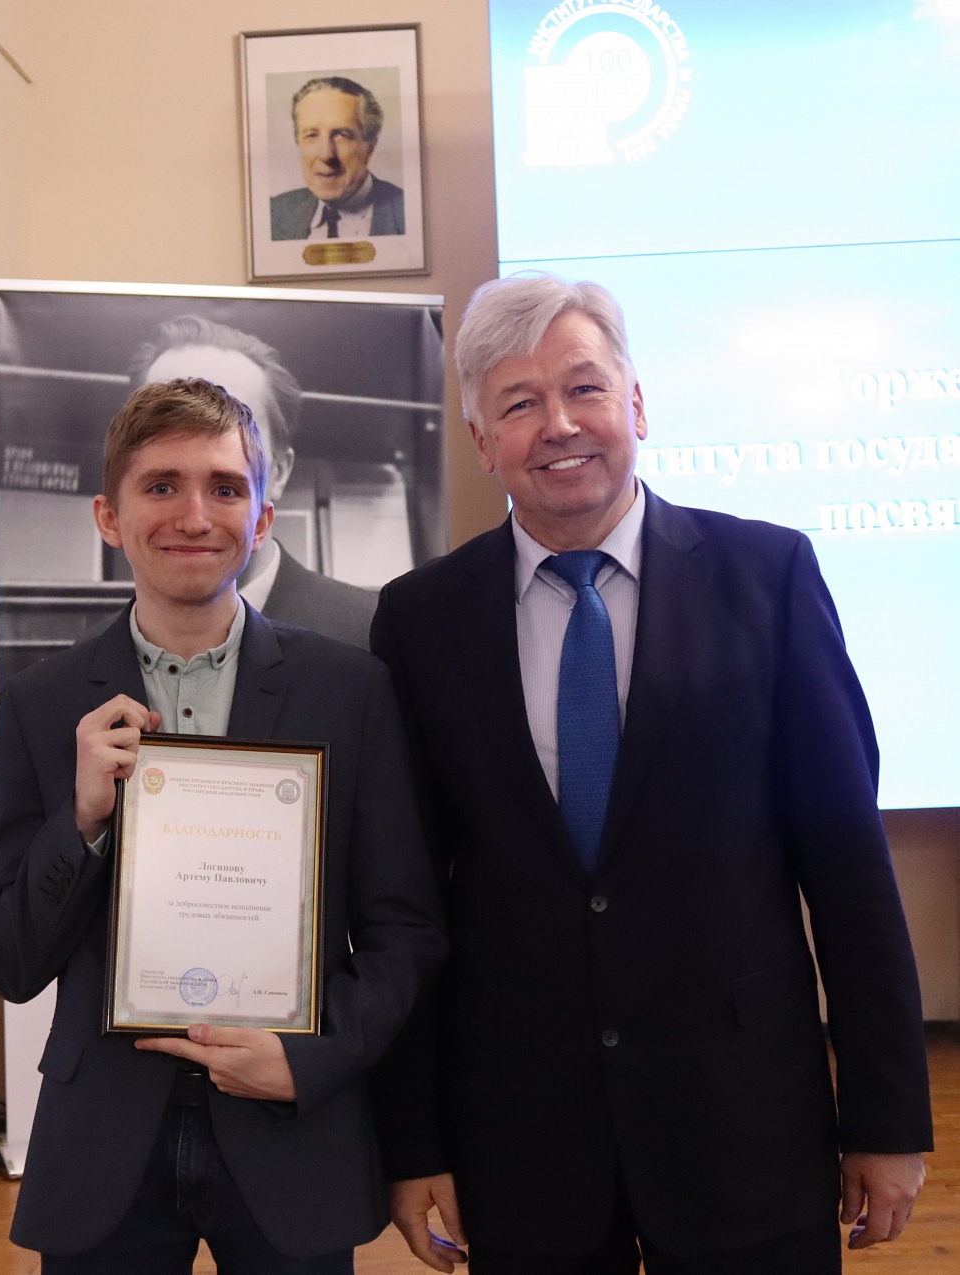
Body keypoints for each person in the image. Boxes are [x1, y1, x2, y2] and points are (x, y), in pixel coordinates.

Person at [369, 274, 933, 1274]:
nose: (559, 424)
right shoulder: (419, 620)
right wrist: (413, 1143)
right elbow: (406, 904)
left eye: (584, 388)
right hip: (522, 1139)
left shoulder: (767, 577)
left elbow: (848, 866)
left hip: (744, 1126)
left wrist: (886, 1119)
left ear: (636, 403)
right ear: (481, 438)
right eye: (519, 402)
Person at [0, 378, 445, 1272]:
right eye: (161, 485)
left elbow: (404, 931)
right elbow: (6, 960)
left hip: (291, 1131)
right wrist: (80, 821)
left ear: (261, 519)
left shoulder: (350, 689)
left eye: (224, 487)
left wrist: (311, 1057)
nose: (194, 515)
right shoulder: (41, 704)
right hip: (102, 1145)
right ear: (109, 517)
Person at [132, 315, 377, 647]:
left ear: (280, 470)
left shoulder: (369, 635)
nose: (197, 457)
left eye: (232, 424)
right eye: (166, 426)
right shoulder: (92, 654)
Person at [270, 76, 405, 242]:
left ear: (370, 145)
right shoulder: (274, 213)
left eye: (342, 135)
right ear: (298, 141)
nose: (326, 155)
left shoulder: (408, 212)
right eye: (312, 135)